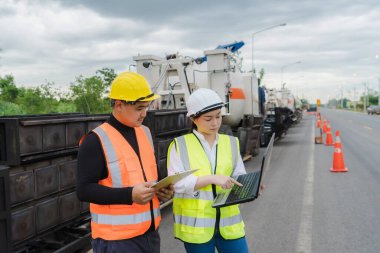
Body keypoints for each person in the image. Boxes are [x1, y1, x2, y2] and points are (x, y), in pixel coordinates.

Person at [76, 72, 173, 253]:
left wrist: (161, 189)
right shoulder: (96, 140)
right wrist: (130, 195)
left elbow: (150, 175)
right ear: (119, 105)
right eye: (139, 108)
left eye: (147, 106)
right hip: (117, 242)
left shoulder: (144, 132)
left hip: (150, 234)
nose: (144, 113)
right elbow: (83, 190)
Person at [167, 88, 250, 253]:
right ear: (193, 118)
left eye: (218, 116)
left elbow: (239, 174)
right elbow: (177, 184)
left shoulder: (231, 142)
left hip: (229, 225)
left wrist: (250, 185)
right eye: (208, 118)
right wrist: (211, 178)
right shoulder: (179, 145)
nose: (215, 123)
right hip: (197, 229)